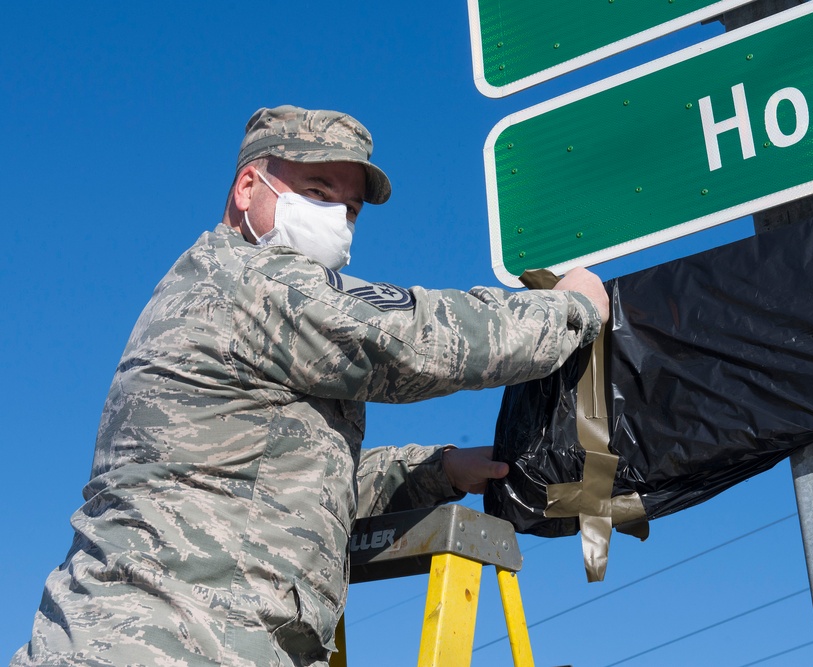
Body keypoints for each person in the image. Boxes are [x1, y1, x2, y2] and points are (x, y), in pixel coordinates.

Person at [12, 105, 609, 666]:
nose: (337, 219)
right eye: (317, 192)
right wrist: (569, 310)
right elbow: (415, 340)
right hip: (166, 643)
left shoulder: (231, 299)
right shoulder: (251, 283)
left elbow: (288, 483)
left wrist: (439, 470)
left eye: (349, 210)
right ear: (249, 187)